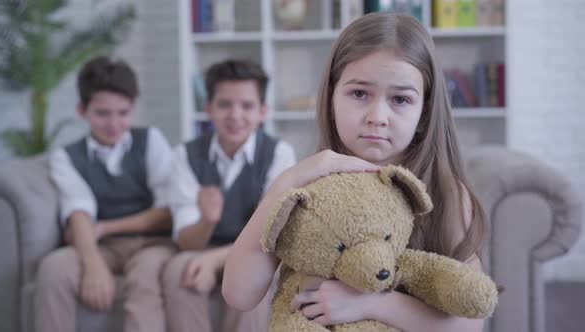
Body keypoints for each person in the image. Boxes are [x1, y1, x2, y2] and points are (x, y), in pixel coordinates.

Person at [222, 12, 487, 332]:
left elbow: (471, 323)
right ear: (331, 98)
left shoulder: (446, 192)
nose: (378, 116)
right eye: (359, 94)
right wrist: (286, 182)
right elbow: (238, 294)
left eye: (400, 99)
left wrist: (372, 303)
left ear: (424, 111)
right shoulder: (310, 188)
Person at [35, 56, 174, 332]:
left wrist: (104, 227)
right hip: (104, 246)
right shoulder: (66, 157)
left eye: (123, 113)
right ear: (82, 110)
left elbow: (167, 212)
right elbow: (78, 212)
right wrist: (93, 263)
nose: (114, 123)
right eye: (102, 113)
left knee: (145, 275)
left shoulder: (151, 141)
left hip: (153, 244)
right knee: (54, 268)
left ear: (132, 110)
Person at [162, 59, 296, 332]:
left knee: (255, 272)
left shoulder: (279, 155)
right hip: (202, 249)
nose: (235, 115)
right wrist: (208, 221)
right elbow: (188, 242)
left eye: (247, 106)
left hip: (256, 252)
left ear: (262, 112)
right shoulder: (184, 156)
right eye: (224, 105)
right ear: (208, 109)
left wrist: (216, 260)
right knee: (179, 270)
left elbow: (270, 236)